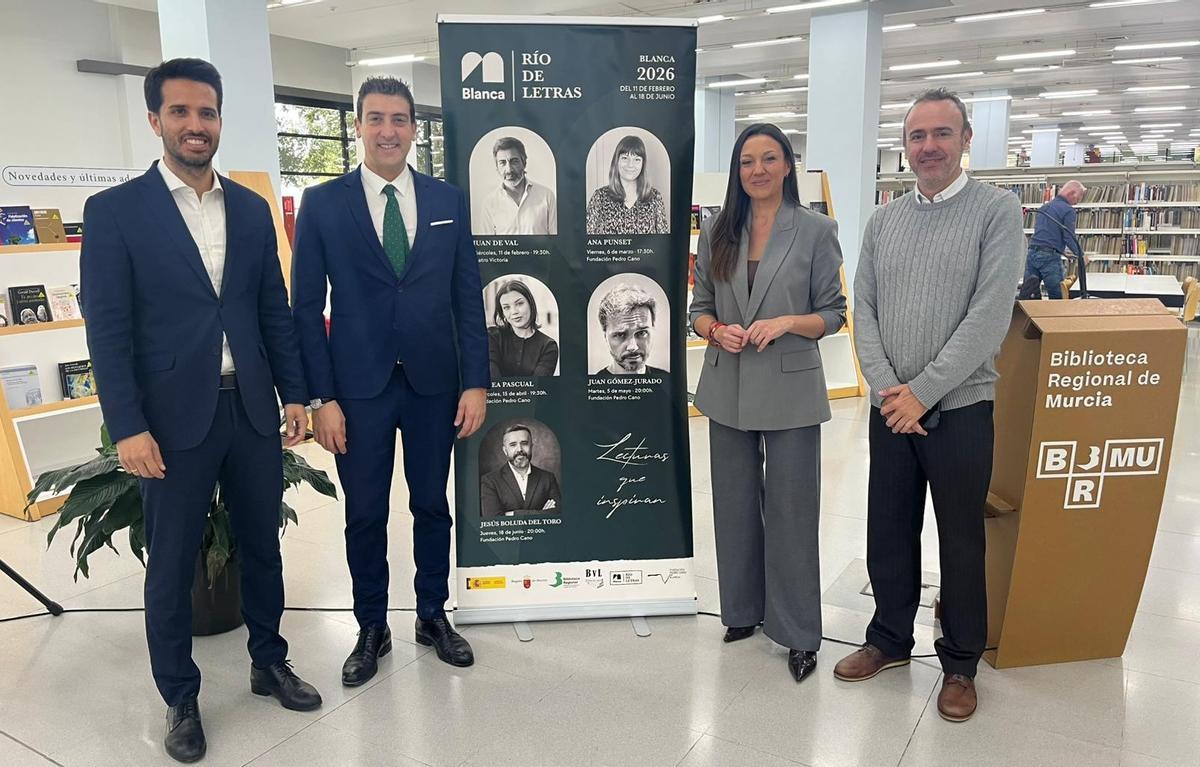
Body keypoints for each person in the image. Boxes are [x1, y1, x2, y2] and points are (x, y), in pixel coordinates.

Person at [80, 58, 320, 763]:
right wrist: (126, 424)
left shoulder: (247, 208)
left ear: (220, 120)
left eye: (207, 112)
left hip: (248, 409)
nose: (195, 125)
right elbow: (108, 327)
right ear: (154, 120)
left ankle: (267, 660)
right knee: (173, 561)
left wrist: (295, 392)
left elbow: (272, 313)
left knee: (263, 546)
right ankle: (180, 695)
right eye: (180, 112)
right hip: (169, 421)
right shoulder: (117, 211)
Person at [291, 76, 489, 682]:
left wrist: (476, 382)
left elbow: (466, 300)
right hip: (357, 390)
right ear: (357, 126)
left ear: (413, 128)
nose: (388, 131)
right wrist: (320, 397)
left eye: (399, 119)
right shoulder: (324, 204)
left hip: (435, 385)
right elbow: (305, 309)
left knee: (432, 504)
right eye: (375, 118)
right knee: (365, 511)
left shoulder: (447, 202)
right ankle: (371, 626)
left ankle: (432, 614)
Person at [836, 88, 1024, 723]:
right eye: (917, 136)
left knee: (961, 540)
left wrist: (924, 391)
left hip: (962, 408)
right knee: (887, 529)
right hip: (893, 410)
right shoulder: (883, 220)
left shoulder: (997, 212)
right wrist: (893, 391)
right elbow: (864, 309)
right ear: (905, 147)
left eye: (942, 134)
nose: (929, 147)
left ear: (966, 140)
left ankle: (961, 662)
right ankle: (889, 638)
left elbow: (989, 316)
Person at [688, 122, 846, 685]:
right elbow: (698, 306)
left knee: (792, 513)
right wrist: (714, 330)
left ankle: (799, 632)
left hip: (791, 388)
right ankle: (742, 612)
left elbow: (833, 313)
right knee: (732, 509)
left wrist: (786, 323)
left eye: (769, 159)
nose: (757, 170)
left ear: (786, 166)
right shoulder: (717, 230)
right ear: (737, 170)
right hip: (726, 385)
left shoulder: (816, 229)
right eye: (747, 161)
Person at [585, 134, 669, 235]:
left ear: (643, 164)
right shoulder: (599, 197)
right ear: (616, 161)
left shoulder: (655, 198)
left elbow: (664, 242)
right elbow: (586, 242)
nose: (630, 164)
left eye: (637, 159)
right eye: (625, 158)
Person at [478, 136, 557, 235]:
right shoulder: (489, 203)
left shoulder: (547, 196)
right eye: (502, 163)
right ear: (497, 167)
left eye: (514, 161)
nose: (509, 170)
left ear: (524, 162)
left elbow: (557, 243)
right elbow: (487, 248)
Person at [479, 424, 562, 517]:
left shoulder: (548, 478)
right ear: (505, 450)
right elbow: (493, 520)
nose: (519, 449)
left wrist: (513, 514)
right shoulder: (489, 481)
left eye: (524, 443)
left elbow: (558, 513)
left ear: (531, 446)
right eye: (513, 445)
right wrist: (542, 513)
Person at [1026, 180, 1086, 299]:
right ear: (1071, 193)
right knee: (1058, 297)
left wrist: (1062, 251)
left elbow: (1045, 234)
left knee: (1029, 295)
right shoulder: (1068, 210)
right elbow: (1069, 236)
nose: (1077, 203)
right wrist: (1081, 255)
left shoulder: (1044, 207)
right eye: (1077, 199)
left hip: (1032, 253)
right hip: (1049, 258)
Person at [592, 283, 669, 376]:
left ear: (652, 330)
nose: (633, 347)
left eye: (642, 333)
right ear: (605, 336)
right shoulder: (593, 387)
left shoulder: (667, 381)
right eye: (620, 335)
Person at [488, 278, 559, 377]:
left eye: (519, 303)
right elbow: (492, 380)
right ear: (502, 313)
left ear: (530, 304)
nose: (514, 312)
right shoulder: (492, 336)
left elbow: (538, 387)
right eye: (506, 307)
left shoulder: (548, 346)